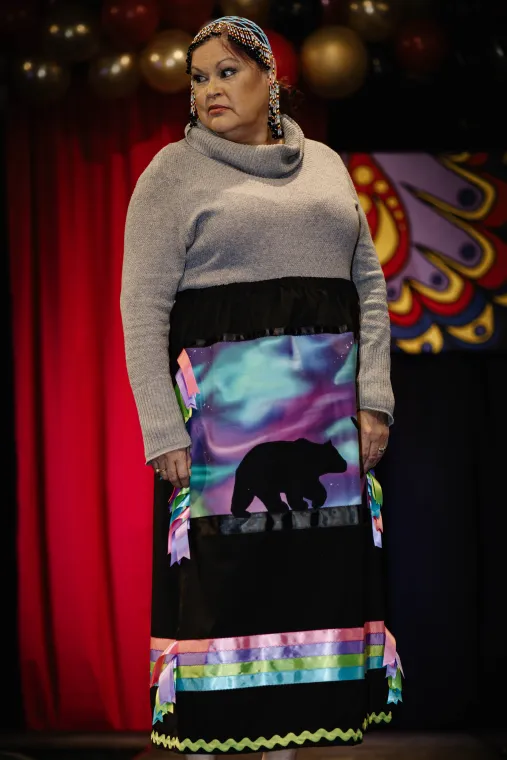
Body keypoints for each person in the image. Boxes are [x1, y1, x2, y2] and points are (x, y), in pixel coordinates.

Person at [121, 15, 402, 758]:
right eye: (198, 76)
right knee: (229, 597)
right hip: (222, 427)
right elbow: (141, 307)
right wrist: (162, 430)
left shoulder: (327, 164)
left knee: (314, 592)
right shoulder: (170, 174)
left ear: (270, 80)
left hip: (324, 418)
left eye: (227, 72)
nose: (209, 88)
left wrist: (373, 399)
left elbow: (366, 288)